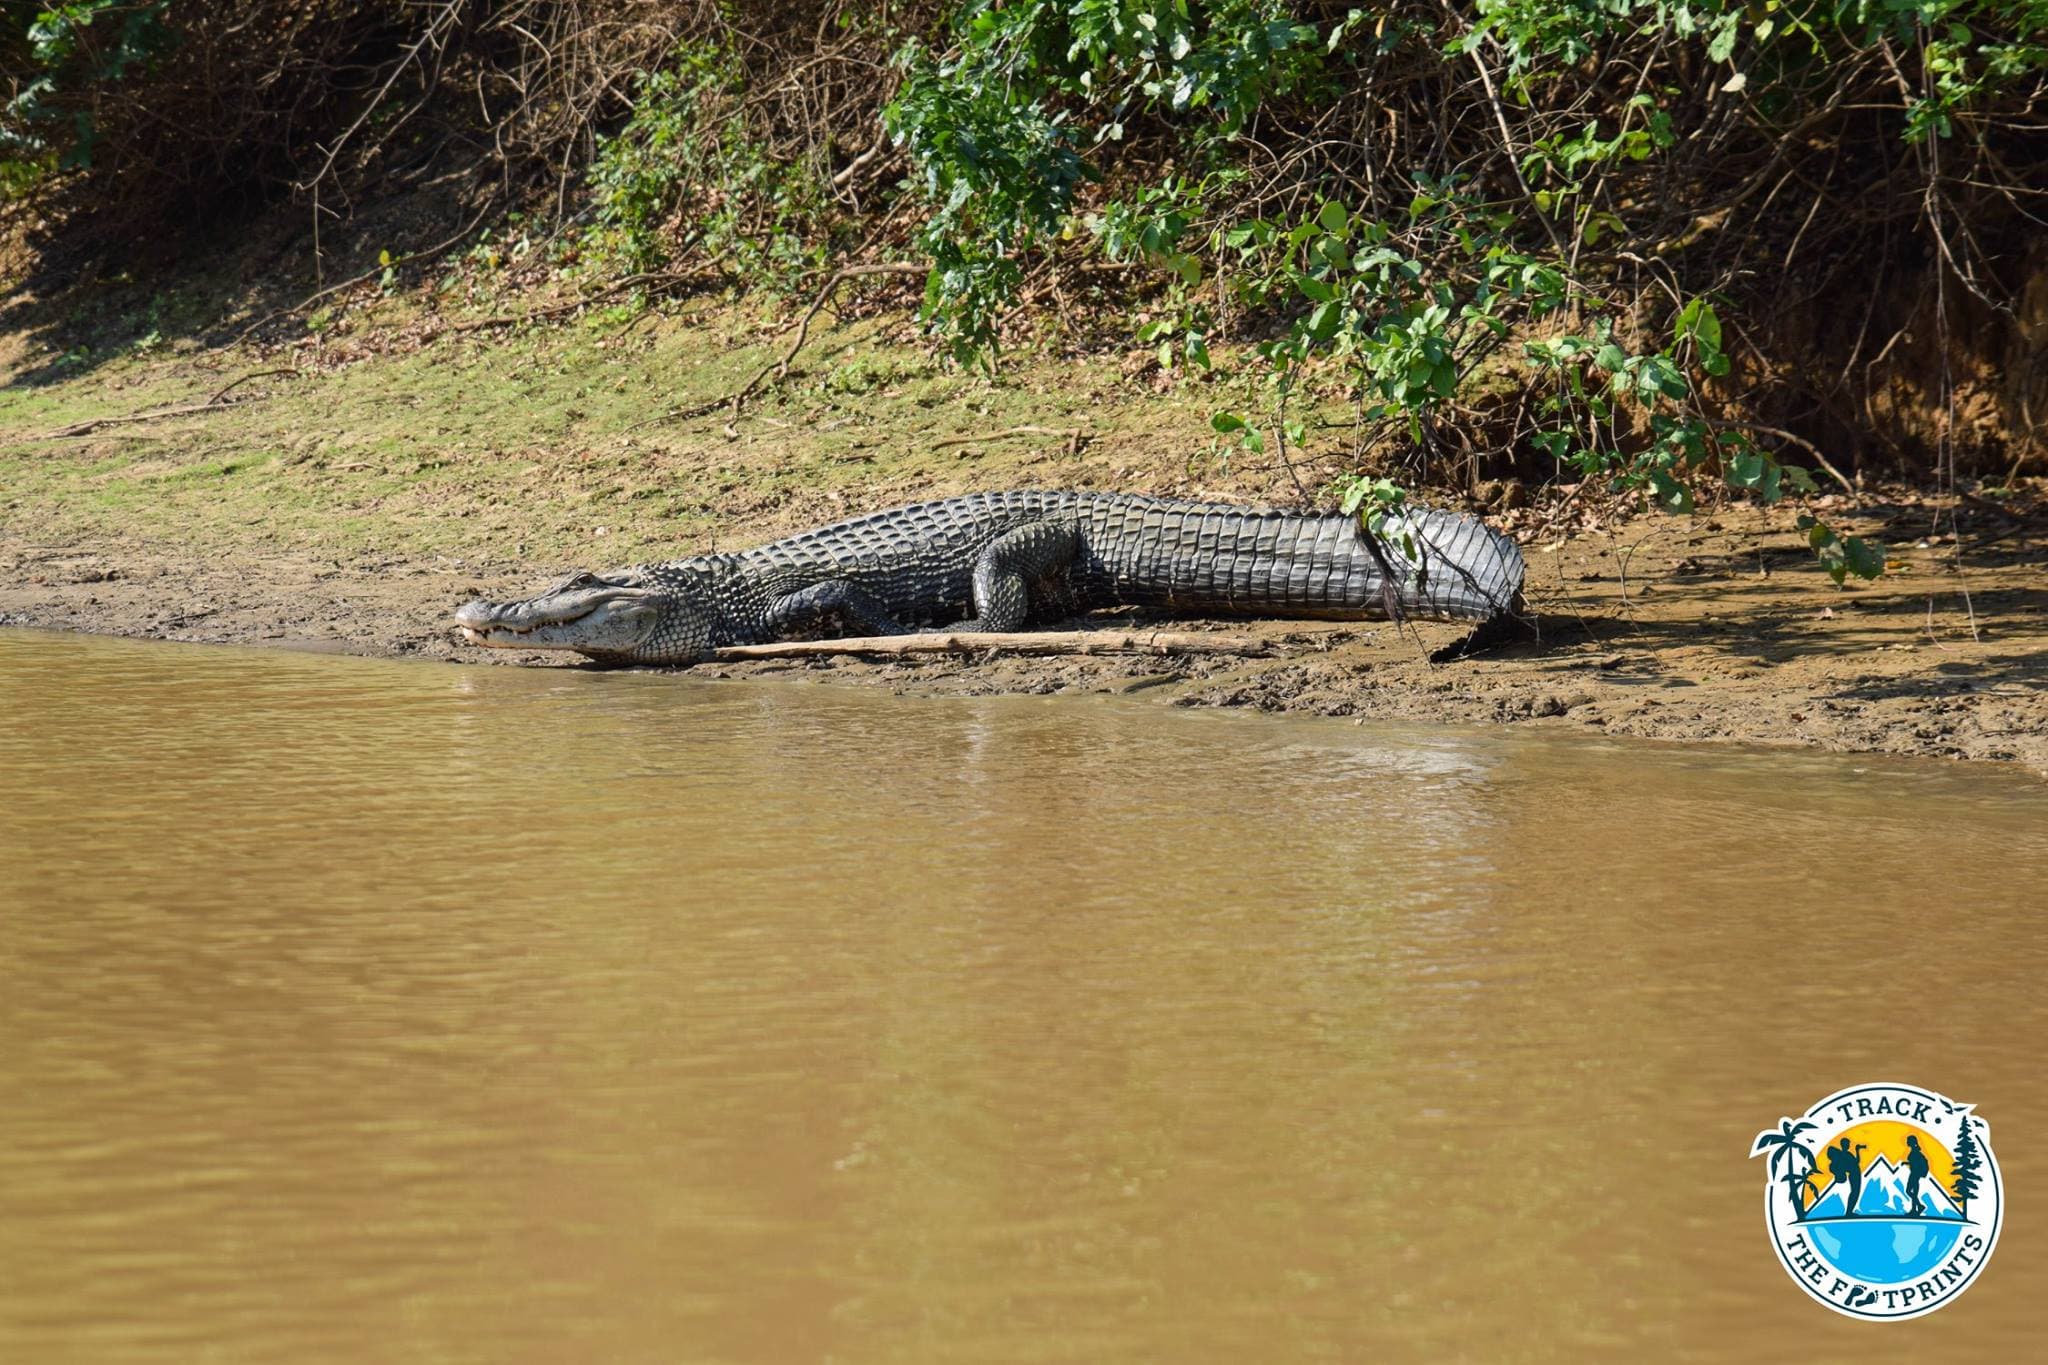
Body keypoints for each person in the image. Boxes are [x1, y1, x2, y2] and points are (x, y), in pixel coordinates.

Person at [1825, 1137, 1863, 1216]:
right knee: (1855, 1193)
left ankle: (1849, 1211)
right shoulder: (1846, 1154)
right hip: (1854, 1174)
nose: (1849, 1145)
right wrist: (1857, 1150)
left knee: (1854, 1193)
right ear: (1844, 1145)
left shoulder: (1843, 1154)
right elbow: (1856, 1162)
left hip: (1854, 1174)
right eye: (1848, 1144)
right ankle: (1849, 1212)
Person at [1904, 1135, 1931, 1216]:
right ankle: (1916, 1208)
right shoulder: (1915, 1151)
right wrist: (1907, 1163)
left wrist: (1909, 1163)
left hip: (1915, 1174)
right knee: (1913, 1192)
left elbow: (1915, 1163)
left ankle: (1917, 1207)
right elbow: (1914, 1162)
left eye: (1908, 1141)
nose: (1907, 1142)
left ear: (1911, 1142)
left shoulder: (1915, 1152)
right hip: (1915, 1174)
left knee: (1909, 1191)